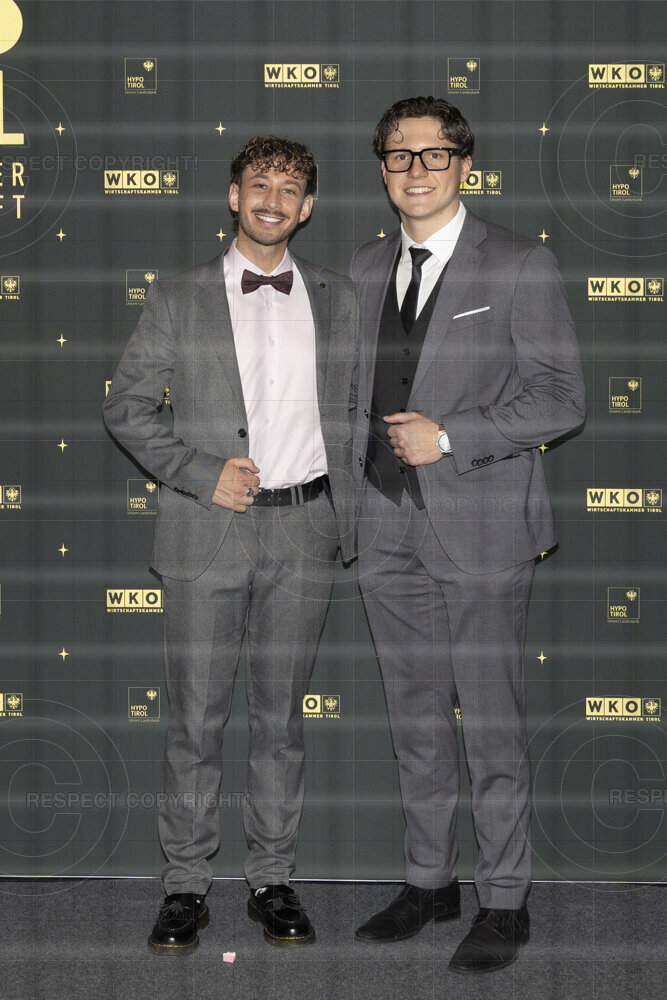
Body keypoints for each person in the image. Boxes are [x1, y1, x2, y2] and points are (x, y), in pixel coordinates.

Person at [103, 135, 356, 954]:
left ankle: (272, 880)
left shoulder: (341, 297)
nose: (271, 200)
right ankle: (184, 885)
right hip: (205, 531)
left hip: (305, 531)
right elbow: (126, 407)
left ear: (306, 207)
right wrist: (199, 472)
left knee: (279, 722)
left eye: (288, 188)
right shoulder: (177, 296)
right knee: (194, 722)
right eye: (258, 184)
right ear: (232, 195)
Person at [350, 96, 585, 973]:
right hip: (383, 524)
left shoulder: (520, 263)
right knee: (414, 721)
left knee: (489, 726)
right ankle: (428, 881)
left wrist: (449, 437)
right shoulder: (364, 264)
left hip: (482, 527)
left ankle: (504, 900)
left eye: (433, 155)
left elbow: (562, 399)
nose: (415, 171)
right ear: (382, 169)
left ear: (464, 165)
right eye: (398, 156)